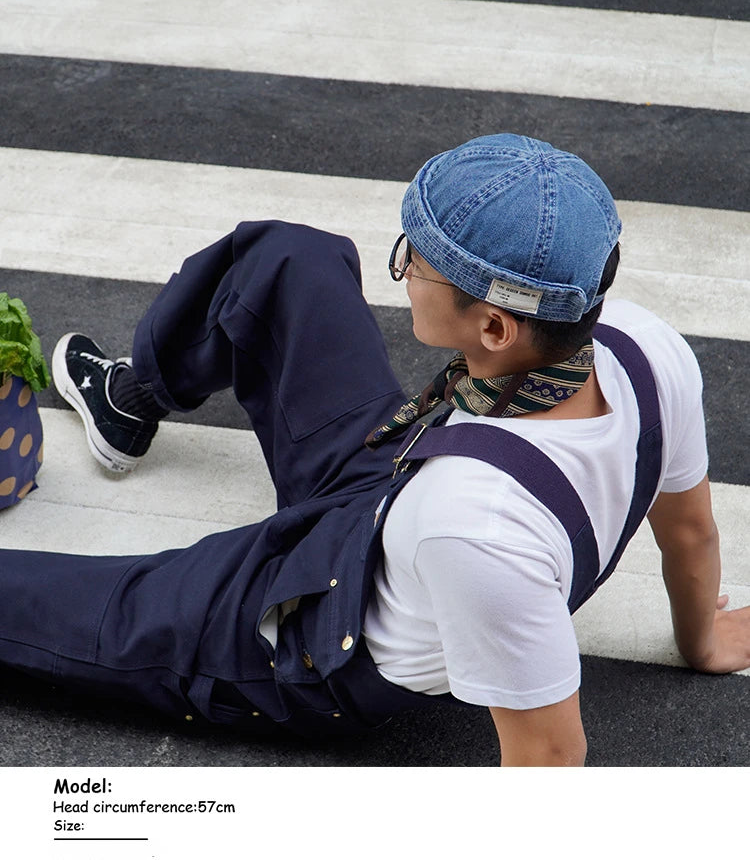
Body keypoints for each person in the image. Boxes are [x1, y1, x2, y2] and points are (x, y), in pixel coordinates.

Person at [4, 133, 750, 766]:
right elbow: (689, 530)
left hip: (310, 641)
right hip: (391, 480)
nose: (402, 272)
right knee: (287, 258)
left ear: (493, 330)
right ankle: (130, 403)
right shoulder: (645, 346)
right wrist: (702, 642)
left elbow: (551, 763)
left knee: (45, 604)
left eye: (416, 263)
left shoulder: (477, 522)